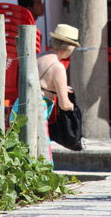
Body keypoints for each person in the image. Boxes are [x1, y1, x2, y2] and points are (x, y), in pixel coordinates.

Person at [11, 24, 79, 161]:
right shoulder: (58, 67)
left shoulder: (37, 57)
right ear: (69, 49)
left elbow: (39, 83)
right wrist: (73, 108)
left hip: (19, 104)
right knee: (41, 149)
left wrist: (58, 89)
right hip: (38, 109)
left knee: (17, 147)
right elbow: (64, 105)